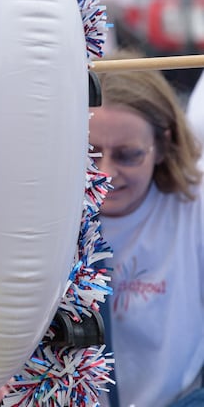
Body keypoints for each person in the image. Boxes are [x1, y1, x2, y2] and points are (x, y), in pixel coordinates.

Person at [91, 66, 204, 407]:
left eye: (128, 155)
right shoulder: (46, 213)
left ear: (163, 144)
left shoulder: (193, 205)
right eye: (91, 153)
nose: (106, 174)